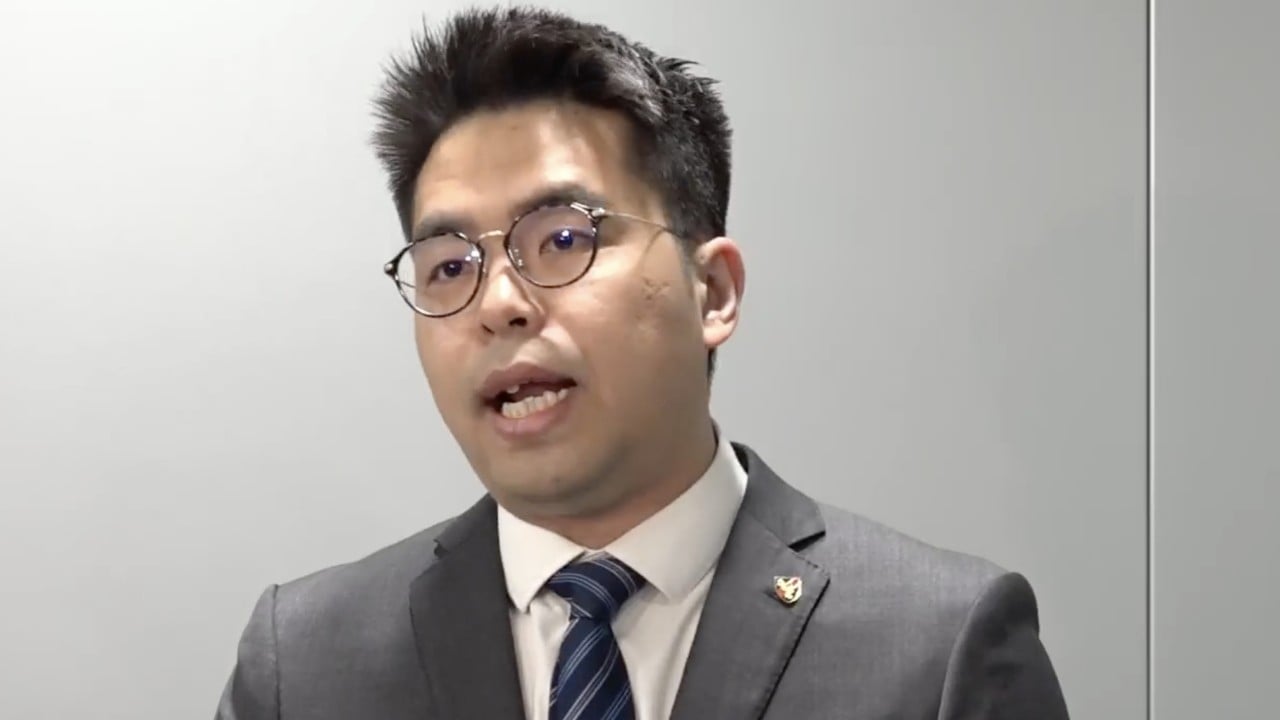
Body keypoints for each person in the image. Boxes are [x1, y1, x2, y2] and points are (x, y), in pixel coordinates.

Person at [215, 6, 1069, 719]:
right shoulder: (306, 667)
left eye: (562, 240)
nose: (498, 302)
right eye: (448, 266)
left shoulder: (937, 648)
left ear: (713, 292)